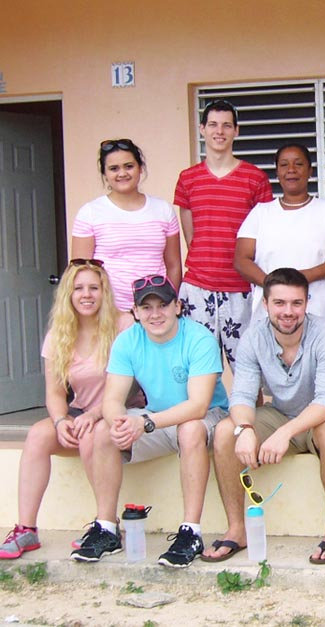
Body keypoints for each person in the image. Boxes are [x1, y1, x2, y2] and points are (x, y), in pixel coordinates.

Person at [70, 275, 229, 568]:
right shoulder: (128, 340)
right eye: (146, 308)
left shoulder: (199, 338)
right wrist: (121, 424)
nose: (155, 314)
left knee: (190, 429)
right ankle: (106, 527)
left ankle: (190, 532)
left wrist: (144, 424)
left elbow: (198, 406)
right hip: (156, 419)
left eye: (163, 305)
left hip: (207, 418)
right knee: (105, 430)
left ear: (178, 306)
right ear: (135, 312)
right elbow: (112, 399)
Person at [203, 268, 325, 564]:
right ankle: (237, 529)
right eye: (280, 303)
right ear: (265, 304)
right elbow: (242, 396)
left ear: (307, 303)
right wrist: (245, 427)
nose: (288, 312)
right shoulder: (253, 336)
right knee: (225, 431)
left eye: (296, 303)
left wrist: (284, 433)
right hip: (281, 413)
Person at [0, 260, 131, 559]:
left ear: (104, 292)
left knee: (90, 434)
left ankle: (106, 525)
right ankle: (26, 530)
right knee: (37, 435)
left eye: (94, 288)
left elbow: (132, 385)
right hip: (80, 410)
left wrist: (96, 414)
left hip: (119, 410)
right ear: (68, 294)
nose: (87, 295)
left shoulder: (124, 326)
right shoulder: (59, 335)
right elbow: (55, 393)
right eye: (78, 288)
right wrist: (60, 421)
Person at [175, 99, 274, 367]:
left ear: (236, 131)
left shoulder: (255, 178)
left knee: (248, 368)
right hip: (198, 288)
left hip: (241, 289)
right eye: (213, 125)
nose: (220, 131)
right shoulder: (188, 178)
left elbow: (264, 236)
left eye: (227, 125)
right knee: (198, 368)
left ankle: (251, 412)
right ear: (202, 129)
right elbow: (190, 235)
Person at [234, 143, 325, 338]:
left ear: (310, 171)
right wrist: (275, 286)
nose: (291, 170)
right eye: (284, 165)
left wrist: (305, 277)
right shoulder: (260, 213)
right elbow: (241, 259)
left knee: (322, 362)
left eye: (298, 164)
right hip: (274, 310)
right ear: (277, 172)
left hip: (321, 309)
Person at [71, 139, 181, 314]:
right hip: (108, 314)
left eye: (128, 166)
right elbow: (80, 273)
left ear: (140, 168)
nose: (122, 173)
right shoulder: (90, 213)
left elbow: (174, 265)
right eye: (114, 168)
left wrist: (166, 304)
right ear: (105, 174)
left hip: (154, 313)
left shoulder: (163, 210)